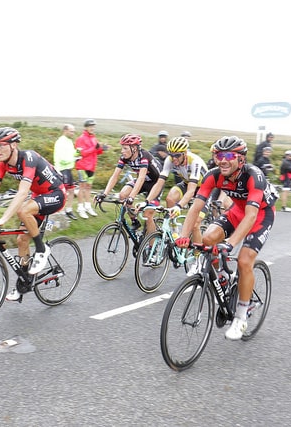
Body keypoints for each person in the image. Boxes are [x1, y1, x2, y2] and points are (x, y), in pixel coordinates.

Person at [175, 136, 277, 340]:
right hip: (236, 211)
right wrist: (183, 236)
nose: (222, 160)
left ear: (241, 159)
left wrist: (230, 244)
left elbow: (251, 216)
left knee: (244, 260)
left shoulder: (253, 176)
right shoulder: (214, 175)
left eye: (229, 155)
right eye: (218, 155)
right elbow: (196, 207)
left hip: (260, 216)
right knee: (207, 239)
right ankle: (222, 275)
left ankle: (241, 315)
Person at [0, 127, 65, 302]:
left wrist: (3, 219)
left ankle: (42, 250)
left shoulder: (29, 158)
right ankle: (24, 281)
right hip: (39, 197)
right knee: (21, 240)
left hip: (56, 194)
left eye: (1, 145)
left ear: (13, 145)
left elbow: (22, 193)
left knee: (23, 210)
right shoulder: (4, 164)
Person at [143, 136, 208, 241]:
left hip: (204, 188)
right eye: (171, 155)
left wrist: (179, 206)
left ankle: (197, 256)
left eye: (177, 155)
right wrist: (147, 201)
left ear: (185, 153)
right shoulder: (170, 160)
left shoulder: (194, 161)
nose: (174, 158)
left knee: (195, 225)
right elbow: (159, 183)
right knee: (170, 198)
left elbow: (191, 191)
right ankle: (174, 231)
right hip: (187, 183)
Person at [94, 134, 162, 231]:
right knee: (123, 195)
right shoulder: (124, 157)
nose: (122, 151)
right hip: (143, 181)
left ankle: (151, 246)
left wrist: (132, 197)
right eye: (122, 148)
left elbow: (141, 178)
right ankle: (135, 221)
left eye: (125, 148)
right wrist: (104, 194)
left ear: (134, 148)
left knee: (147, 215)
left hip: (156, 184)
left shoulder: (144, 156)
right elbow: (115, 176)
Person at [75, 119, 107, 218]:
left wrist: (102, 149)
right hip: (82, 166)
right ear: (86, 127)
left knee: (88, 187)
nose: (92, 128)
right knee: (82, 187)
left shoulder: (94, 138)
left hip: (92, 166)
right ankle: (80, 208)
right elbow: (82, 153)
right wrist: (95, 148)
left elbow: (96, 152)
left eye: (93, 126)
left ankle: (88, 206)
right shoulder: (81, 138)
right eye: (90, 126)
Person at [53, 124, 79, 220]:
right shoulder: (60, 142)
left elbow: (71, 154)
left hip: (68, 168)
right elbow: (63, 159)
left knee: (71, 190)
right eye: (71, 131)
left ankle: (69, 210)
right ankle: (61, 211)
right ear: (65, 131)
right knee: (63, 192)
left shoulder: (69, 141)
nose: (73, 133)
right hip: (62, 169)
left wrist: (77, 153)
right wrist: (74, 159)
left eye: (74, 131)